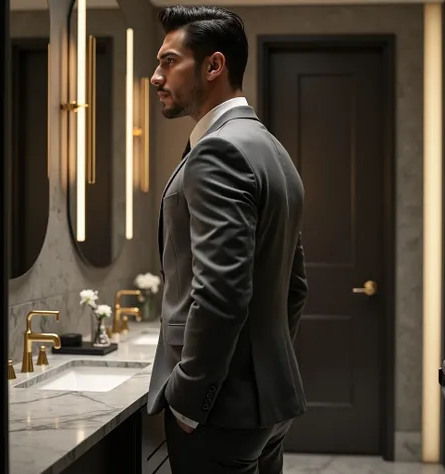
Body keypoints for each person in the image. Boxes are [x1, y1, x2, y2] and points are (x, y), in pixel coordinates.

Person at [147, 5, 308, 473]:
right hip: (266, 404)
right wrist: (263, 368)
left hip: (218, 412)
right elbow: (294, 288)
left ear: (213, 66)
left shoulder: (219, 150)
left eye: (168, 61)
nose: (156, 77)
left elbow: (221, 295)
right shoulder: (271, 149)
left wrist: (190, 399)